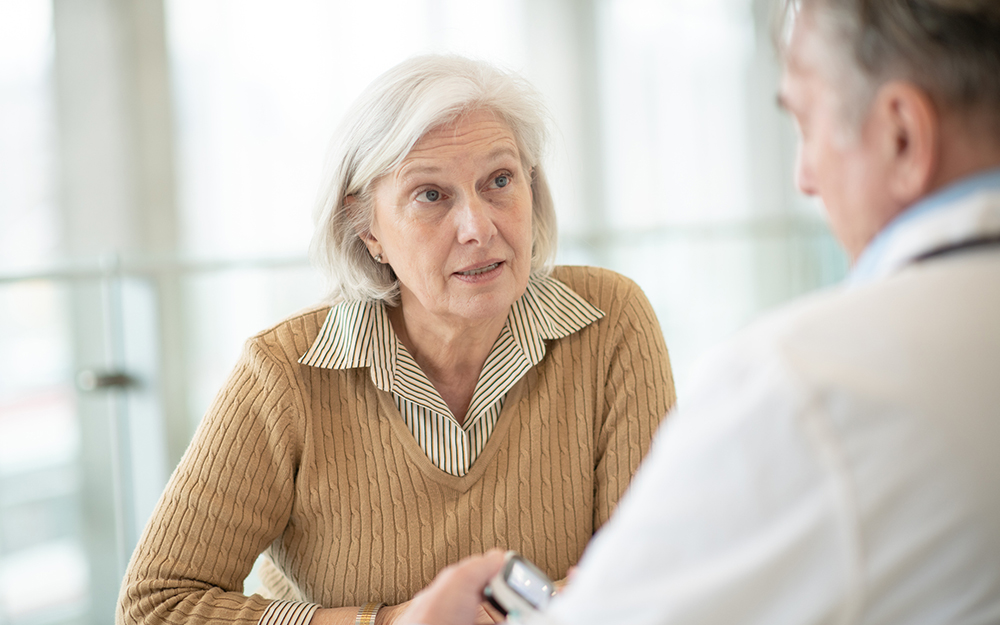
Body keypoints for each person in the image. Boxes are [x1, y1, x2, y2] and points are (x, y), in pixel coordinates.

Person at [395, 1, 1000, 624]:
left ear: (902, 135)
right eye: (431, 195)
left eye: (807, 124)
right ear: (368, 231)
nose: (805, 178)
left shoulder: (809, 385)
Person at [116, 56, 676, 625]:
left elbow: (659, 577)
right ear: (368, 230)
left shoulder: (608, 320)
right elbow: (155, 607)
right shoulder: (284, 372)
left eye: (500, 181)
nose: (478, 227)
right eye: (431, 195)